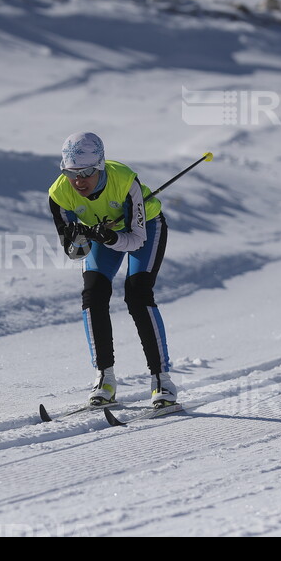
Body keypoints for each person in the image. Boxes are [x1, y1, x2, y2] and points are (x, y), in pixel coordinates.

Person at [48, 131, 177, 409]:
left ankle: (161, 380)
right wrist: (79, 237)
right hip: (102, 237)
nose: (78, 181)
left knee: (137, 293)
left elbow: (136, 239)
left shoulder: (124, 181)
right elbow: (73, 254)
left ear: (101, 166)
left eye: (86, 173)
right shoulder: (59, 194)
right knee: (93, 293)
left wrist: (108, 238)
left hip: (144, 229)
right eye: (71, 174)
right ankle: (104, 378)